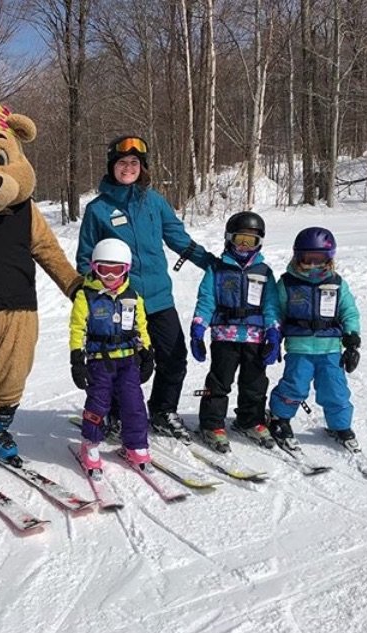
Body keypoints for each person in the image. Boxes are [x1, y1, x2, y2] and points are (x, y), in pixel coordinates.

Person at [76, 136, 215, 444]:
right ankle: (112, 413)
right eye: (123, 163)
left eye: (134, 163)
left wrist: (212, 264)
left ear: (143, 168)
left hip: (158, 297)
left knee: (174, 356)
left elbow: (178, 237)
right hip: (120, 302)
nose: (128, 168)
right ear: (113, 167)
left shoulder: (154, 202)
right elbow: (86, 257)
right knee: (117, 360)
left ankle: (163, 411)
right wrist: (92, 290)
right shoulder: (98, 210)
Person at [190, 212, 280, 453]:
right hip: (224, 337)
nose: (243, 246)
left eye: (250, 241)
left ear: (258, 243)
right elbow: (206, 300)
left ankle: (250, 420)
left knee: (255, 383)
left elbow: (271, 305)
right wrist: (198, 328)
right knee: (219, 382)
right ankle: (212, 424)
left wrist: (273, 333)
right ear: (229, 239)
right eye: (240, 239)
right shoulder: (217, 270)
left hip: (255, 338)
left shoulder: (264, 272)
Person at [267, 227, 361, 449]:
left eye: (319, 260)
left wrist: (352, 339)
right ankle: (280, 418)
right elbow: (275, 310)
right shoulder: (288, 283)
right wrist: (273, 335)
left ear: (329, 259)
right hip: (300, 349)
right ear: (298, 257)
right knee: (295, 387)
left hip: (330, 349)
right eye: (308, 259)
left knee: (335, 389)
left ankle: (340, 426)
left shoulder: (337, 284)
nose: (313, 266)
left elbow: (349, 311)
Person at [70, 238, 155, 469]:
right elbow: (77, 328)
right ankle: (90, 443)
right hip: (100, 362)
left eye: (115, 271)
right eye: (103, 270)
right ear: (94, 268)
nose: (109, 277)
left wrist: (147, 353)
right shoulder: (86, 296)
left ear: (126, 270)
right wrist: (77, 359)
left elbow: (141, 327)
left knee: (134, 403)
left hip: (128, 360)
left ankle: (135, 445)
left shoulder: (133, 297)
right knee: (98, 403)